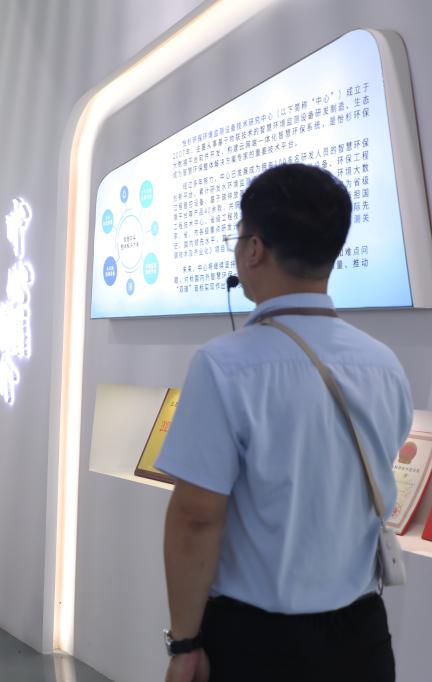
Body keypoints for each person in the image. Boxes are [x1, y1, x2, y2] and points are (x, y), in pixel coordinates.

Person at [156, 164, 412, 682]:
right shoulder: (384, 364)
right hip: (363, 638)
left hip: (258, 644)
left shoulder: (224, 364)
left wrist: (185, 642)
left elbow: (197, 517)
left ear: (254, 249)